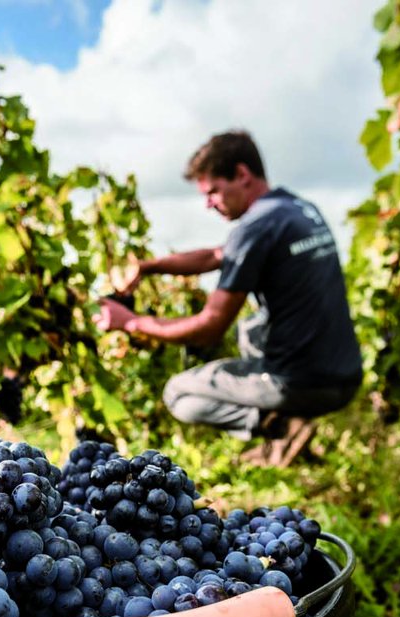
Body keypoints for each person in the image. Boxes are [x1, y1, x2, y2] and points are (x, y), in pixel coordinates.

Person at [94, 130, 362, 461]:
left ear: (242, 174)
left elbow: (210, 328)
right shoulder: (296, 210)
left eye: (214, 192)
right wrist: (147, 266)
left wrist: (133, 323)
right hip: (347, 374)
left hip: (302, 383)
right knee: (250, 329)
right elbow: (214, 256)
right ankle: (286, 427)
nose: (209, 204)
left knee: (178, 393)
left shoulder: (253, 229)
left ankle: (283, 427)